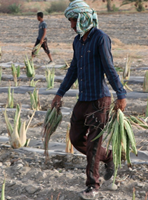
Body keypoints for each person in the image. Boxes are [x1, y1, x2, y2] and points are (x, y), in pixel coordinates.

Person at [51, 1, 127, 199]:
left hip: (100, 100)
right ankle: (109, 157)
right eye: (70, 21)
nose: (71, 25)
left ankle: (93, 185)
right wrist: (60, 93)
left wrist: (121, 94)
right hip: (84, 98)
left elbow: (110, 68)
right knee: (76, 138)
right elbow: (73, 70)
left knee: (93, 144)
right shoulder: (78, 41)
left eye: (73, 21)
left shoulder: (100, 38)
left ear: (83, 18)